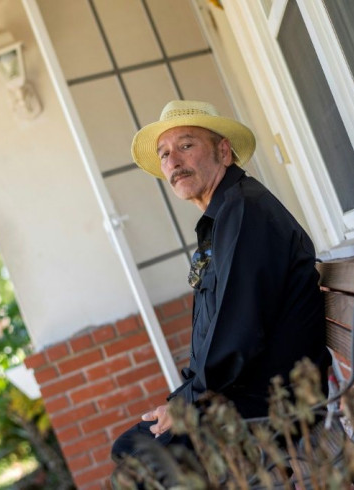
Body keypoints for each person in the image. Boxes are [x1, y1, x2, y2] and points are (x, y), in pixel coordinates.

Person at [111, 99, 331, 461]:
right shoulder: (225, 216)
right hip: (248, 395)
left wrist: (185, 402)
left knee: (139, 455)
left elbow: (236, 331)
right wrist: (184, 396)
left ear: (223, 151)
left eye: (185, 145)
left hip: (274, 403)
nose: (173, 162)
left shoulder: (244, 213)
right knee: (134, 450)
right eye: (164, 154)